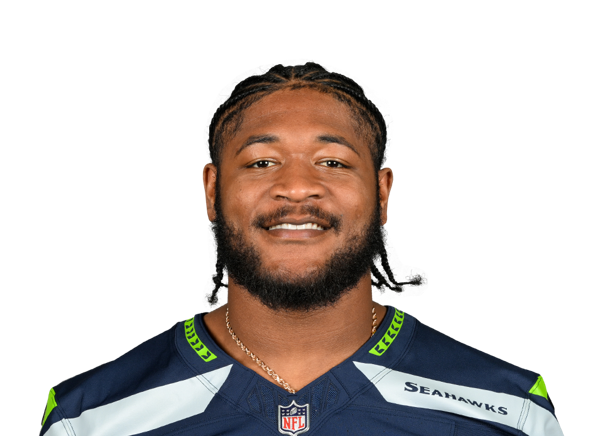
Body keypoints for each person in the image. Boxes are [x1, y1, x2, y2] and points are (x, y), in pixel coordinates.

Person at [39, 62, 563, 436]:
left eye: (332, 163)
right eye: (261, 163)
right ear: (211, 191)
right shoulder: (88, 419)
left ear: (382, 193)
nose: (295, 187)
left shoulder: (510, 411)